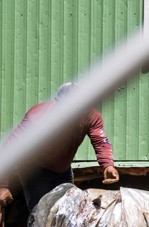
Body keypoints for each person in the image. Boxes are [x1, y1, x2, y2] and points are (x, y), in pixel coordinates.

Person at [0, 82, 119, 211]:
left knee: (68, 210)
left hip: (62, 169)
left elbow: (100, 141)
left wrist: (108, 165)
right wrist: (2, 185)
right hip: (33, 169)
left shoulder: (91, 116)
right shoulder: (38, 116)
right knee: (40, 213)